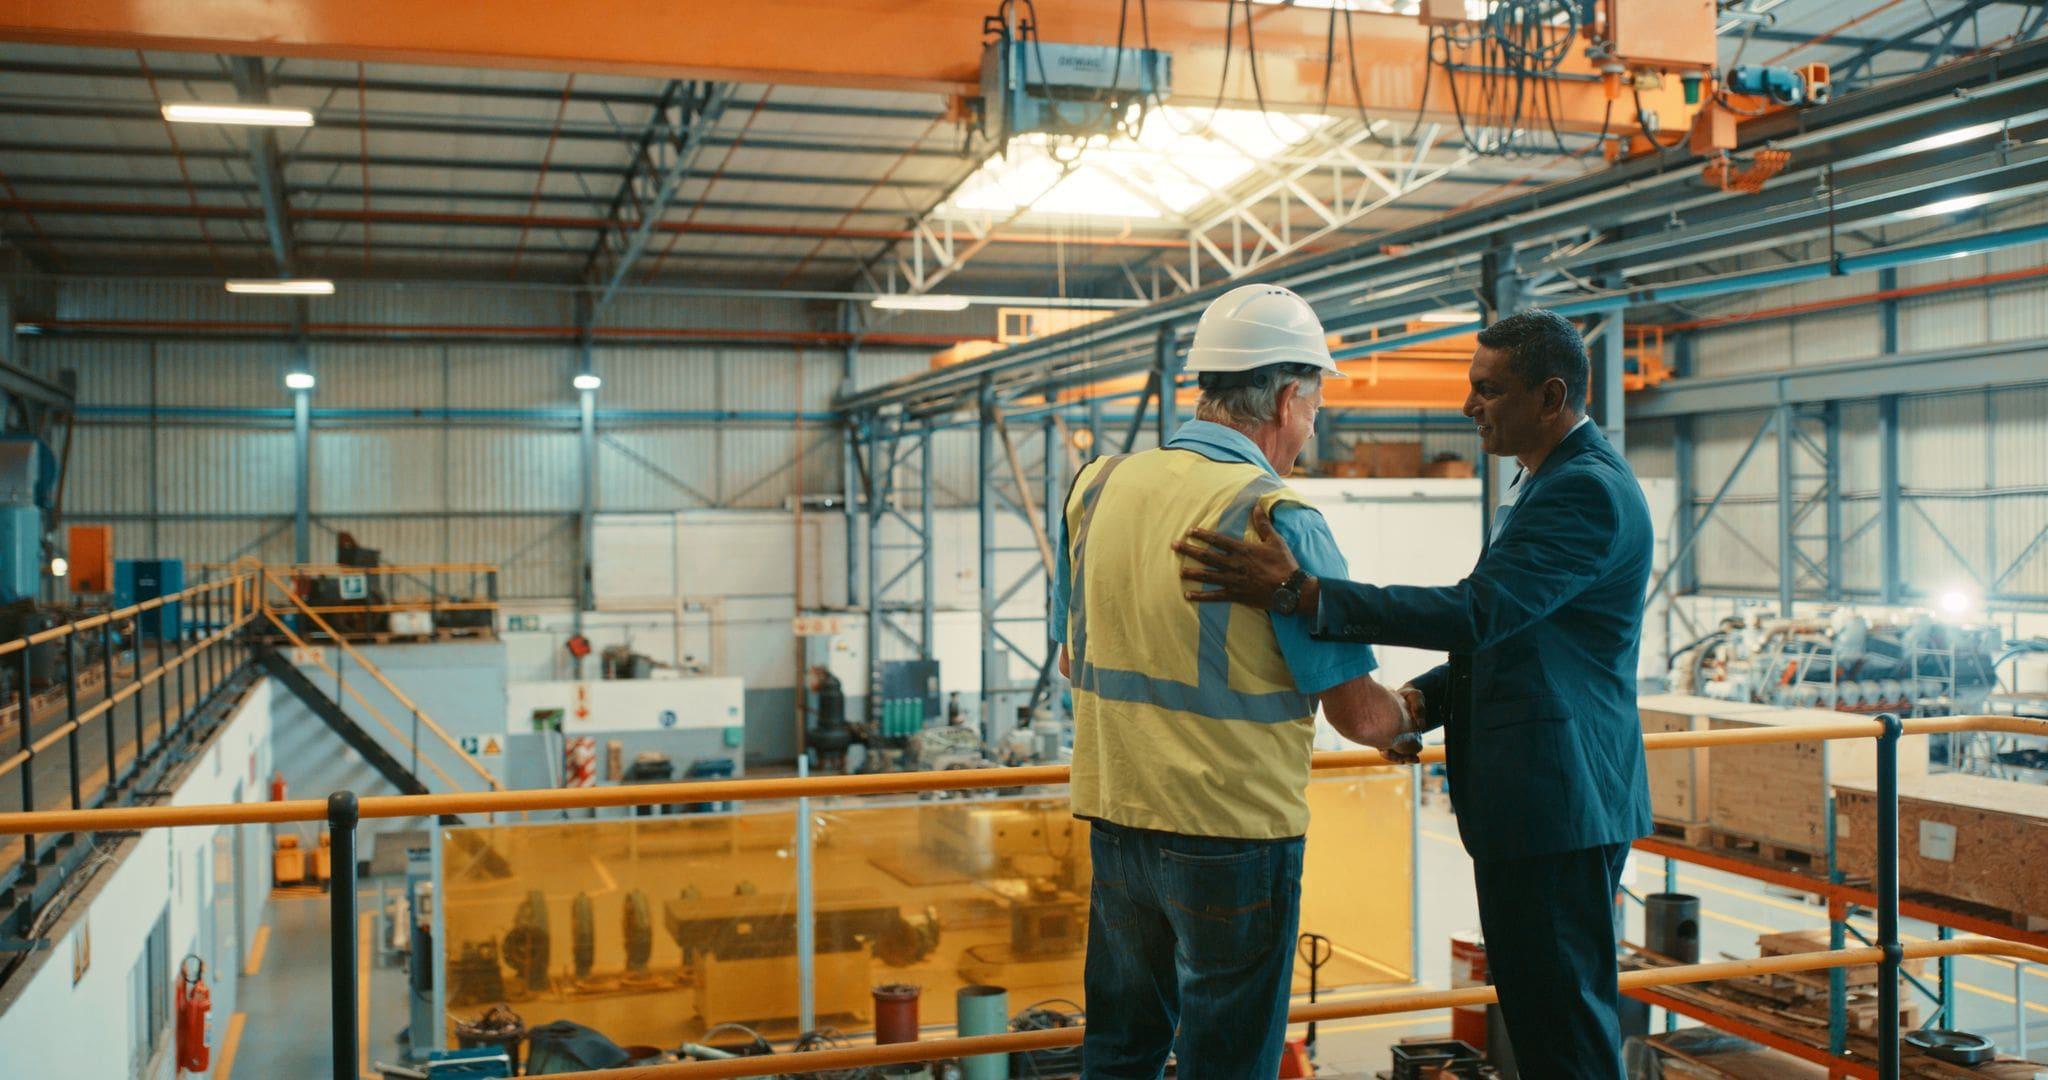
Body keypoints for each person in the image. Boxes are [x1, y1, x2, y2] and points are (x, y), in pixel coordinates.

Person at [1174, 308, 1654, 1079]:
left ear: (1551, 396)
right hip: (1540, 806)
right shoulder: (1548, 480)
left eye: (1487, 391)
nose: (1468, 407)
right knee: (1544, 1017)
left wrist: (1307, 593)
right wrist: (1421, 705)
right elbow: (1516, 641)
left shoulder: (1585, 493)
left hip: (1559, 806)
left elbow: (1478, 611)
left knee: (1564, 1029)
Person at [1051, 283, 1413, 1078]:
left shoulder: (1098, 489)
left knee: (1120, 1049)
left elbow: (1075, 659)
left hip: (1119, 818)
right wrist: (1416, 718)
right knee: (1229, 1060)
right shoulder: (1278, 518)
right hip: (1233, 834)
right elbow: (1360, 716)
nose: (1310, 429)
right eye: (1313, 408)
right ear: (1287, 398)